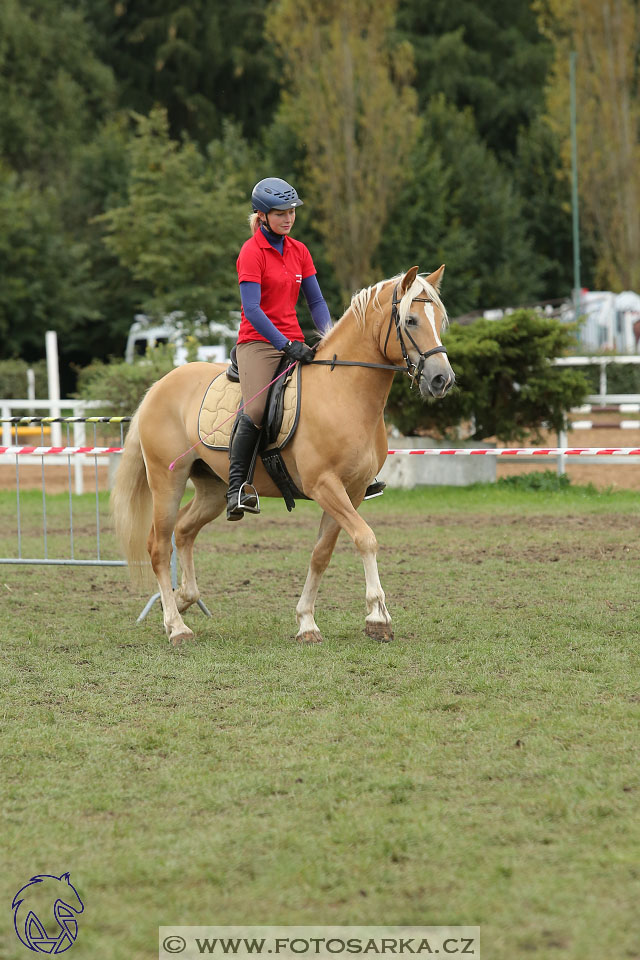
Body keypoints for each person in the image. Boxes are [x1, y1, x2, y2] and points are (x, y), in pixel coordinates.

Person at [227, 177, 333, 521]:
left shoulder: (300, 250)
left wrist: (328, 336)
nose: (288, 218)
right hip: (258, 343)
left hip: (295, 342)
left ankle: (356, 472)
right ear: (262, 215)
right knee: (256, 410)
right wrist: (285, 344)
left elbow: (315, 300)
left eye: (292, 212)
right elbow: (253, 310)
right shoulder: (251, 252)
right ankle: (236, 488)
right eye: (280, 213)